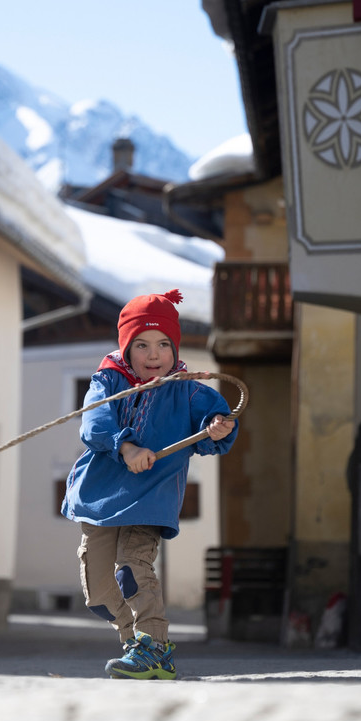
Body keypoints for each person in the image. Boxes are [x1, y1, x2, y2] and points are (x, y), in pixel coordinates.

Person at [61, 289, 238, 680]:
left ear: (175, 348)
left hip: (150, 499)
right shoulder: (108, 380)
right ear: (127, 348)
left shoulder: (188, 390)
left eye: (163, 344)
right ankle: (135, 644)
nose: (153, 355)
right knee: (98, 593)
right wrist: (125, 447)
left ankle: (153, 646)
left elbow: (216, 418)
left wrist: (218, 426)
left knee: (132, 566)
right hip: (103, 497)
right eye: (141, 345)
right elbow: (94, 424)